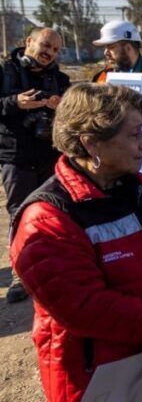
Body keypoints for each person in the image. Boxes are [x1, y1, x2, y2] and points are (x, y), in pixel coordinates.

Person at [9, 83, 142, 402]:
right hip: (95, 379)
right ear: (91, 143)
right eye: (134, 134)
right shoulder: (48, 217)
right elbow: (84, 307)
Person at [0, 27, 70, 303]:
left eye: (55, 49)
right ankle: (21, 274)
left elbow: (75, 111)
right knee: (19, 214)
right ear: (28, 41)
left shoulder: (60, 79)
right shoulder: (5, 73)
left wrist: (61, 106)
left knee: (54, 213)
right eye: (45, 45)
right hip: (16, 157)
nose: (48, 52)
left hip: (50, 155)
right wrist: (15, 103)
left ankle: (53, 267)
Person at [91, 19, 142, 83]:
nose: (105, 53)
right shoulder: (102, 78)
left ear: (128, 48)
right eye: (105, 48)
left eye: (111, 47)